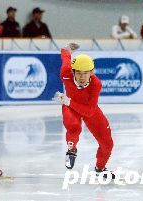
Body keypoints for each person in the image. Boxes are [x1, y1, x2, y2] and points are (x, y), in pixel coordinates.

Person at [54, 43, 114, 178]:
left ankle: (100, 168)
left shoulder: (96, 84)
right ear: (73, 71)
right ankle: (71, 149)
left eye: (86, 73)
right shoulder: (65, 73)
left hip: (87, 108)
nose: (82, 77)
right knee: (73, 126)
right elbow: (65, 56)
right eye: (79, 73)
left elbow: (89, 112)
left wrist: (68, 101)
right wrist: (68, 49)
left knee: (107, 143)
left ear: (91, 73)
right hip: (70, 108)